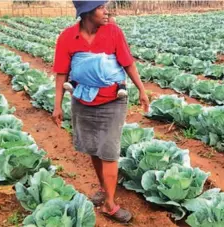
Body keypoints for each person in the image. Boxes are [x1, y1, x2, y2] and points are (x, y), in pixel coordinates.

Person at [52, 0, 149, 223]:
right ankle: (105, 189)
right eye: (101, 7)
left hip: (112, 102)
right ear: (87, 12)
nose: (106, 11)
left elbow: (128, 64)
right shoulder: (68, 37)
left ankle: (110, 204)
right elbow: (61, 74)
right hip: (82, 102)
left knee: (109, 152)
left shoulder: (113, 31)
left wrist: (142, 90)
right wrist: (57, 106)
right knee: (94, 149)